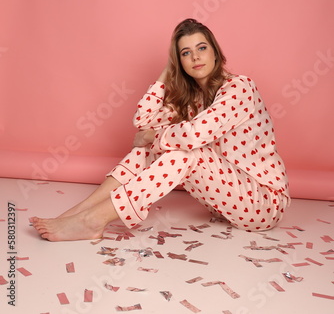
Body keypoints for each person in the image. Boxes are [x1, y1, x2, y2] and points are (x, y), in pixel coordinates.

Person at [30, 18, 290, 241]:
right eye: (185, 53)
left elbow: (192, 135)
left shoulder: (240, 88)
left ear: (216, 53)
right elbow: (142, 121)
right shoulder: (192, 98)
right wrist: (167, 72)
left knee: (187, 153)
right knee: (153, 148)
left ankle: (92, 221)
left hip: (263, 202)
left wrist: (153, 137)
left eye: (201, 48)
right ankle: (80, 212)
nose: (196, 57)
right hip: (224, 203)